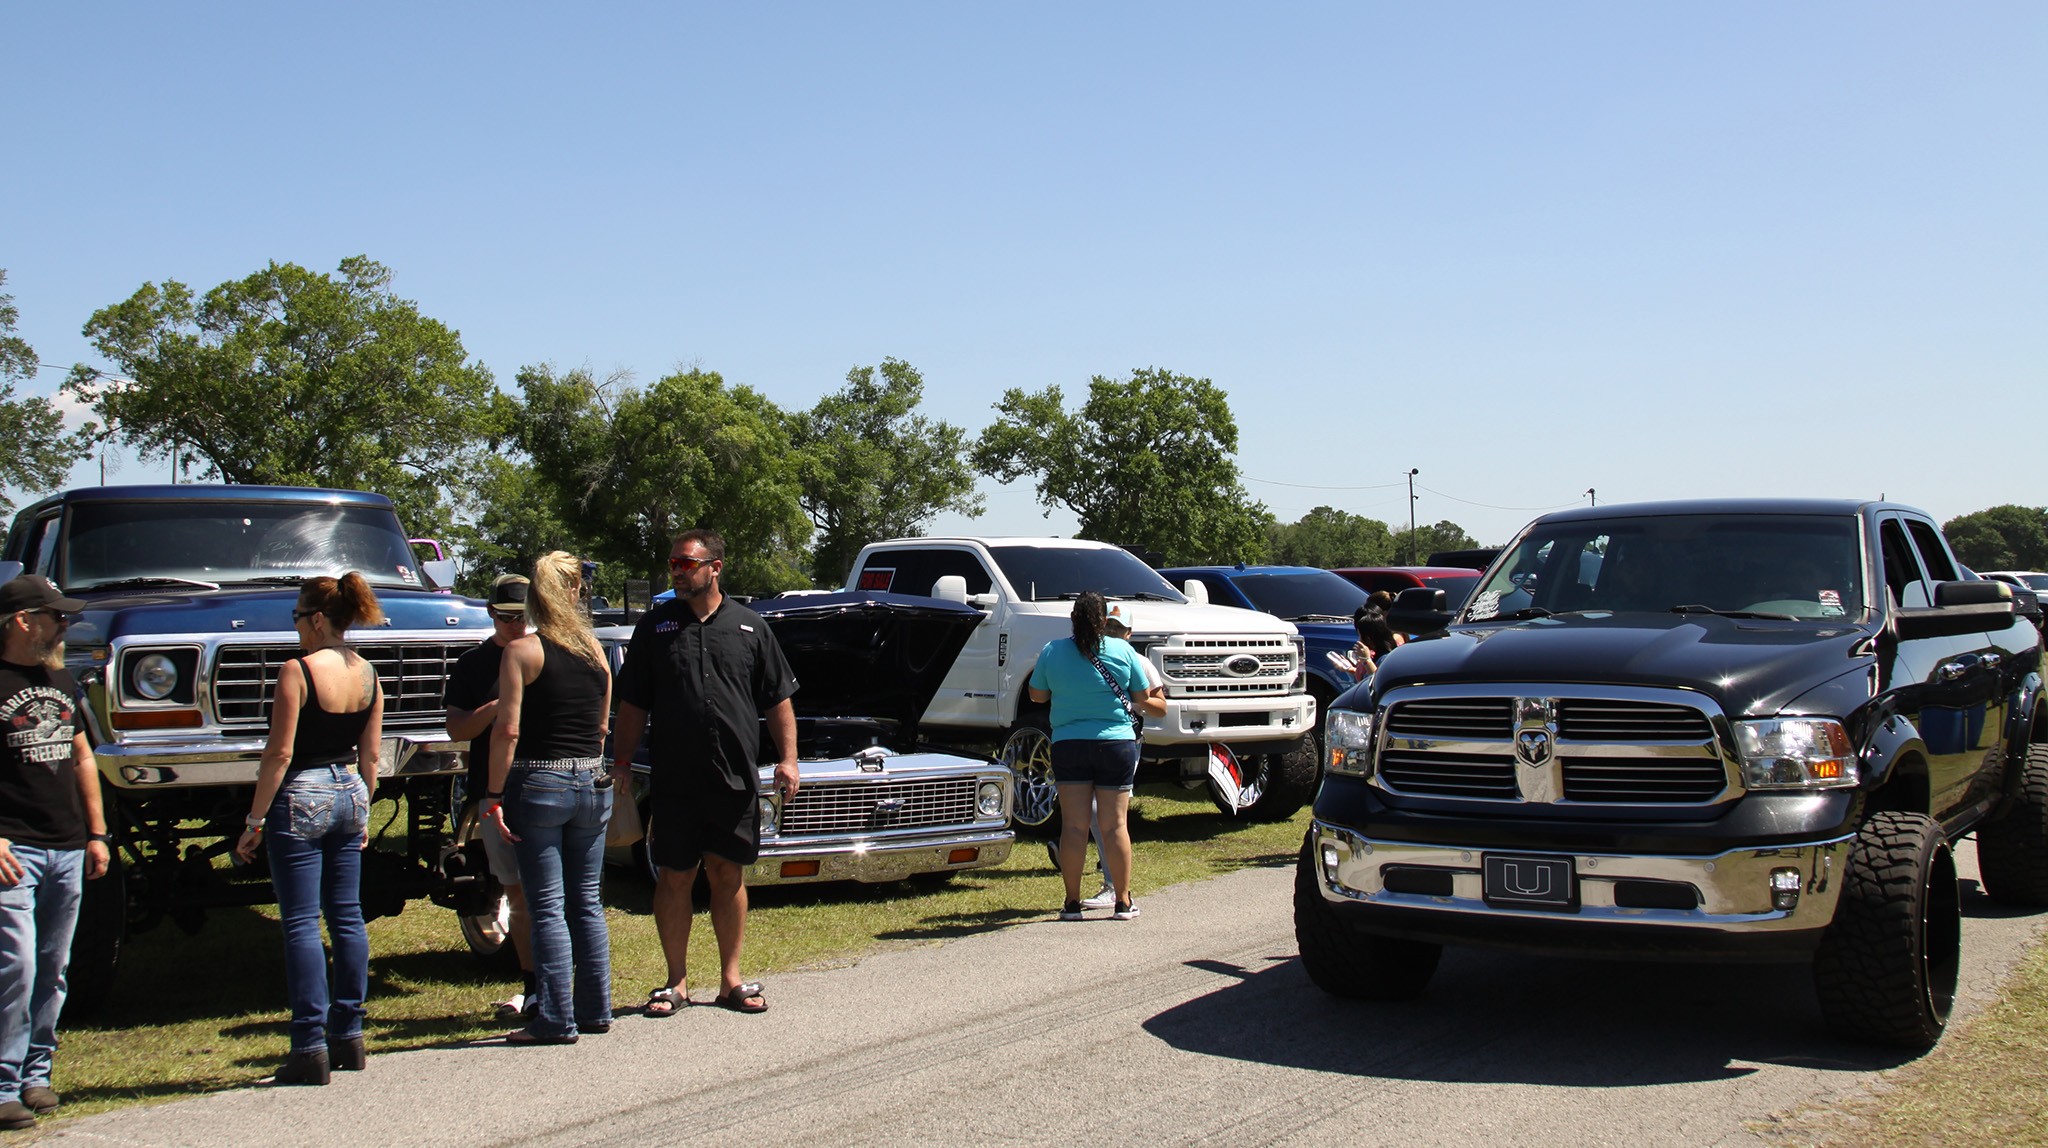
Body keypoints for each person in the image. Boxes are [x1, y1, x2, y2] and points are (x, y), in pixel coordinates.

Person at [613, 529, 797, 1017]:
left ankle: (731, 980)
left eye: (685, 563)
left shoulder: (751, 627)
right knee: (674, 876)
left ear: (715, 567)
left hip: (733, 779)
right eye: (672, 563)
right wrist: (623, 762)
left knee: (727, 873)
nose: (676, 570)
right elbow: (632, 703)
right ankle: (675, 982)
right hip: (674, 780)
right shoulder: (654, 628)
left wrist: (789, 758)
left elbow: (778, 699)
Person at [234, 573, 385, 1086]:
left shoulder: (297, 671)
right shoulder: (368, 674)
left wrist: (255, 819)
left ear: (317, 619)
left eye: (297, 618)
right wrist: (363, 808)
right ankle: (350, 1033)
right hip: (349, 789)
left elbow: (278, 753)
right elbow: (371, 755)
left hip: (302, 791)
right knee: (347, 916)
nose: (296, 627)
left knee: (299, 921)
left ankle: (308, 1044)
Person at [482, 553, 613, 1045]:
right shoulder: (596, 652)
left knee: (546, 905)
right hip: (590, 780)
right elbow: (601, 726)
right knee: (587, 902)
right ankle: (595, 1008)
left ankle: (556, 1017)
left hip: (538, 781)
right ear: (576, 592)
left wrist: (494, 793)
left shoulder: (523, 652)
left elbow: (508, 729)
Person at [0, 576, 110, 1129]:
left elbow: (83, 757)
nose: (66, 625)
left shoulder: (62, 679)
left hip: (67, 845)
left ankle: (36, 1076)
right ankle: (3, 1082)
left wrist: (96, 832)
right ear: (23, 621)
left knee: (53, 965)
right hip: (12, 847)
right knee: (15, 964)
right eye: (56, 617)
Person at [1028, 591, 1164, 922]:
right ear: (1104, 621)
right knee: (1115, 824)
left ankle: (1072, 903)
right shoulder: (1123, 650)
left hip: (1069, 744)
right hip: (1116, 745)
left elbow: (1036, 695)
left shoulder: (1053, 650)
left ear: (1072, 619)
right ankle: (1122, 900)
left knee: (1074, 827)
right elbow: (1143, 696)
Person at [444, 574, 537, 1021]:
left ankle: (561, 983)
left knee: (553, 892)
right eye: (505, 618)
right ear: (490, 613)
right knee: (515, 892)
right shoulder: (472, 664)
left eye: (522, 617)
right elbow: (457, 730)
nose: (515, 626)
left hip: (542, 784)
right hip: (493, 790)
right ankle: (533, 982)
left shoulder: (541, 655)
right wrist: (500, 705)